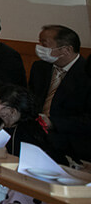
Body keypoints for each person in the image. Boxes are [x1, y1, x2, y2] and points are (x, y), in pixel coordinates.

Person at [27, 24, 90, 164]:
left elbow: (88, 120)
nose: (39, 47)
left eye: (44, 44)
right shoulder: (40, 68)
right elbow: (30, 98)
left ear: (66, 50)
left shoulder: (87, 74)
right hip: (35, 133)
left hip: (70, 140)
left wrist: (53, 123)